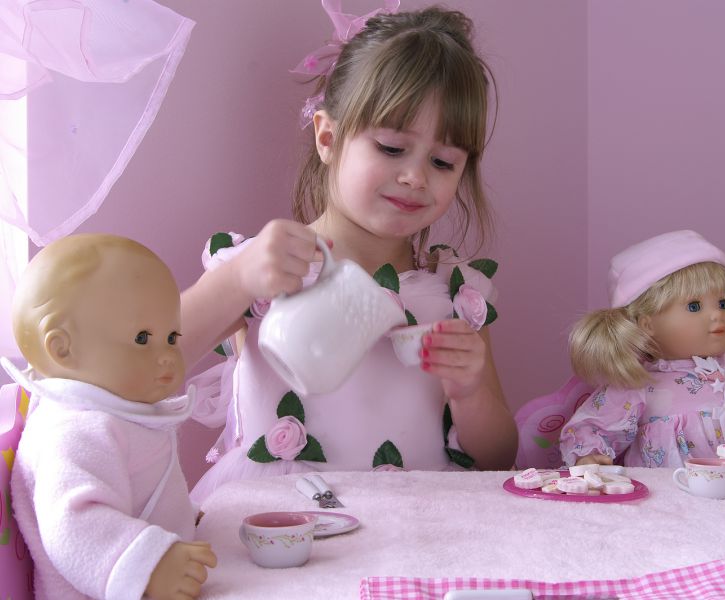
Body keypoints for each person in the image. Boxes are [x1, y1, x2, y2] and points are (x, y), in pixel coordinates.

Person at [182, 3, 518, 503]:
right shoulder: (265, 265)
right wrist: (238, 280)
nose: (415, 177)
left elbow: (498, 459)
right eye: (391, 148)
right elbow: (148, 361)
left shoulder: (456, 294)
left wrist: (471, 394)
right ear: (328, 138)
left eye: (443, 162)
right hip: (280, 519)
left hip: (417, 524)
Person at [2, 234, 216, 600]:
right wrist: (151, 565)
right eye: (143, 338)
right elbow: (74, 523)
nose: (167, 354)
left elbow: (132, 484)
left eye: (171, 337)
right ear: (63, 348)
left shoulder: (114, 412)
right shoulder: (75, 429)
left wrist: (177, 513)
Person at [559, 229, 725, 468]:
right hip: (672, 490)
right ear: (647, 324)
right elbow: (593, 428)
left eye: (723, 303)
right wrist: (590, 456)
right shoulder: (638, 386)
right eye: (694, 306)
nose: (717, 314)